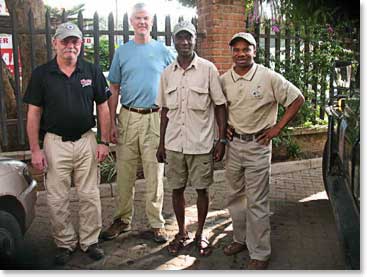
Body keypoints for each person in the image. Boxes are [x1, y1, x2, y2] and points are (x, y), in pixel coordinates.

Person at [23, 22, 111, 265]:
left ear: (81, 44)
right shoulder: (42, 74)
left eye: (75, 41)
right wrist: (35, 149)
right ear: (55, 43)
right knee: (56, 198)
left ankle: (89, 241)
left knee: (90, 195)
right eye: (65, 41)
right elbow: (33, 114)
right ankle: (65, 243)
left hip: (86, 141)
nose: (70, 46)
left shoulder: (91, 71)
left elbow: (103, 107)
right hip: (54, 144)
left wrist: (104, 141)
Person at [220, 32, 305, 269]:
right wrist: (225, 126)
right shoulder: (225, 79)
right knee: (235, 197)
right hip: (234, 146)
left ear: (254, 51)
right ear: (232, 53)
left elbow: (297, 98)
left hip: (258, 146)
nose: (241, 54)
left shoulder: (268, 77)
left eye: (246, 49)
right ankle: (240, 239)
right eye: (236, 50)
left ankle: (260, 253)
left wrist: (277, 127)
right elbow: (220, 107)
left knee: (257, 201)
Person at [101, 2, 175, 243]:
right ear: (131, 22)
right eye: (138, 18)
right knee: (125, 172)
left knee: (155, 173)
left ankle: (156, 222)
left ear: (151, 22)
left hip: (155, 118)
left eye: (146, 18)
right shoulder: (122, 52)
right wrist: (111, 123)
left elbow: (177, 79)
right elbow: (113, 87)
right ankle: (122, 219)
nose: (142, 22)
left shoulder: (164, 51)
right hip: (129, 117)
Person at [156, 21, 227, 256]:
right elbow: (164, 111)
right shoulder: (167, 74)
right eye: (180, 38)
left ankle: (200, 234)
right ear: (174, 40)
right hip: (175, 144)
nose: (184, 42)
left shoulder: (208, 69)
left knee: (202, 190)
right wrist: (161, 143)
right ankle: (181, 232)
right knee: (176, 189)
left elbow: (219, 105)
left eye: (189, 37)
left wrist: (221, 140)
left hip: (201, 144)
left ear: (195, 40)